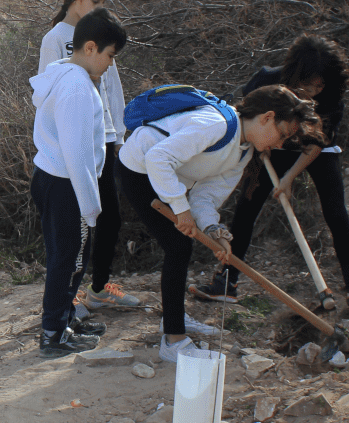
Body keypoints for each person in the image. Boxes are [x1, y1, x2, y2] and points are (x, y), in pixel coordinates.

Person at [119, 84, 322, 362]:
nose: (279, 145)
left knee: (180, 246)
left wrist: (215, 231)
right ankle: (173, 341)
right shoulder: (215, 125)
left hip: (165, 177)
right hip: (139, 168)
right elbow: (158, 157)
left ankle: (174, 316)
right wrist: (181, 209)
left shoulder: (243, 152)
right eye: (282, 134)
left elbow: (206, 197)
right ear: (267, 118)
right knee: (178, 247)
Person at [194, 35, 349, 313]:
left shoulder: (332, 96)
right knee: (247, 207)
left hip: (316, 149)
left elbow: (317, 143)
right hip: (273, 146)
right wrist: (259, 145)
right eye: (309, 84)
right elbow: (246, 115)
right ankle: (226, 282)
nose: (315, 90)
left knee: (336, 213)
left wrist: (288, 179)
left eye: (321, 85)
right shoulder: (267, 80)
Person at [38, 0, 147, 328]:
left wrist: (119, 132)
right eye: (95, 1)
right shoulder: (57, 38)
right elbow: (49, 92)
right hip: (76, 144)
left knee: (109, 218)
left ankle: (97, 289)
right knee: (74, 230)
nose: (100, 7)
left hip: (107, 136)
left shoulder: (102, 34)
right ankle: (67, 303)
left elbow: (111, 88)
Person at [29, 8, 128, 358]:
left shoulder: (70, 76)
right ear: (90, 47)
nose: (111, 65)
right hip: (66, 185)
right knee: (67, 260)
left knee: (72, 257)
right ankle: (54, 332)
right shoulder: (76, 88)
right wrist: (91, 205)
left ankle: (66, 320)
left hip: (56, 180)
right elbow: (77, 154)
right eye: (110, 55)